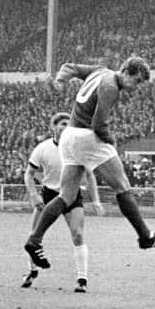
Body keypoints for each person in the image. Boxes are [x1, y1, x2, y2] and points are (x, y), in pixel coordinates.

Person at [24, 56, 155, 270]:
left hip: (69, 136)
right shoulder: (111, 87)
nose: (136, 87)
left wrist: (60, 80)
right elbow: (98, 124)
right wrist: (111, 140)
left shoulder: (101, 71)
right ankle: (144, 236)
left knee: (66, 196)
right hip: (86, 136)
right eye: (137, 81)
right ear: (127, 72)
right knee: (122, 186)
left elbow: (70, 67)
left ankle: (34, 240)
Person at [21, 112, 104, 292]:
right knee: (34, 235)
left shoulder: (78, 149)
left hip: (72, 195)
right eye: (62, 123)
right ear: (54, 127)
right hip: (49, 195)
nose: (65, 126)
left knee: (78, 234)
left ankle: (82, 279)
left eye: (69, 124)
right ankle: (32, 271)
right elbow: (28, 173)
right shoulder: (43, 148)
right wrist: (33, 195)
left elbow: (90, 175)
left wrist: (96, 200)